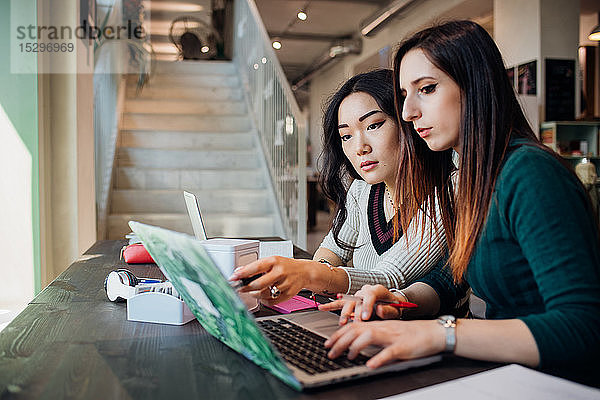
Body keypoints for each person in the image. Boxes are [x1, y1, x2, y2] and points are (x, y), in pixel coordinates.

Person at [322, 20, 600, 385]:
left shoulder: (529, 172)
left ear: (475, 86)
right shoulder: (472, 175)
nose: (408, 113)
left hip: (554, 381)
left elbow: (584, 328)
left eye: (428, 89)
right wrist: (399, 301)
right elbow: (451, 279)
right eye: (406, 94)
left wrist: (441, 333)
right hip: (498, 370)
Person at [229, 69, 446, 305]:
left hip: (425, 334)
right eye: (346, 136)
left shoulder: (446, 193)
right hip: (363, 324)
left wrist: (309, 274)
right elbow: (332, 250)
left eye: (373, 125)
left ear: (408, 121)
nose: (359, 147)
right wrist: (314, 275)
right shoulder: (362, 190)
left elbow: (390, 276)